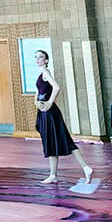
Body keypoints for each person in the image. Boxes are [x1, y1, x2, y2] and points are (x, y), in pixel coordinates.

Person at [33, 50, 93, 185]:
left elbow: (56, 87)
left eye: (40, 57)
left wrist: (49, 102)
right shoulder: (41, 74)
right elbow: (38, 92)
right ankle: (54, 174)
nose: (37, 59)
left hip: (50, 113)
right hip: (44, 112)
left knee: (63, 140)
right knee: (51, 142)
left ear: (46, 60)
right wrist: (36, 101)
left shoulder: (46, 73)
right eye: (36, 57)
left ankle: (85, 167)